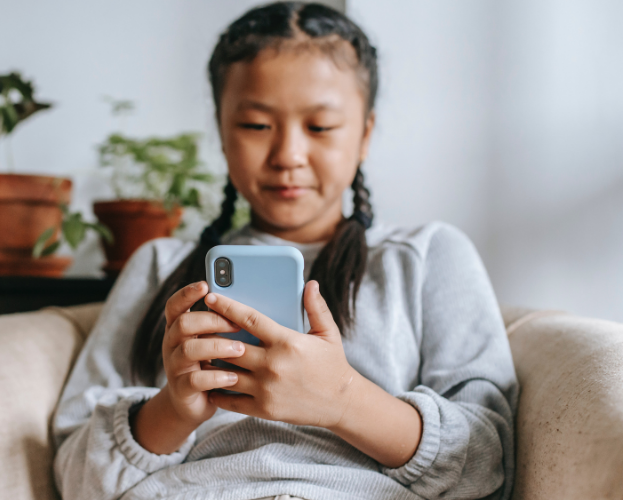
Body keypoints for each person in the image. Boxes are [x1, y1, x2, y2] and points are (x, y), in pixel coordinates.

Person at [52, 3, 518, 499]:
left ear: (364, 134)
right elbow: (74, 473)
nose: (287, 156)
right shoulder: (160, 267)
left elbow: (488, 464)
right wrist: (172, 409)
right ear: (222, 131)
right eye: (256, 126)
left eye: (319, 128)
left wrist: (343, 400)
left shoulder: (427, 258)